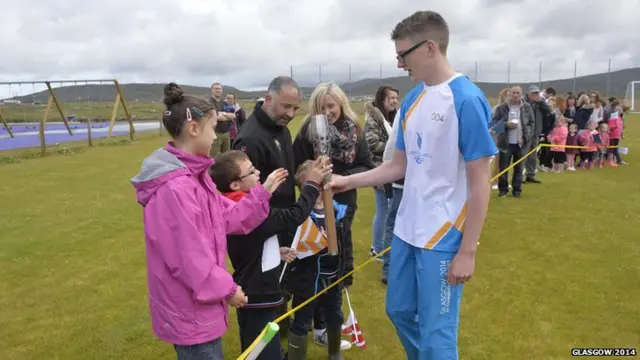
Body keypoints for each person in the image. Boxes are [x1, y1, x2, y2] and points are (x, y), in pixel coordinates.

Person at [329, 11, 497, 359]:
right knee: (399, 311)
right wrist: (347, 180)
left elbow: (481, 182)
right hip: (407, 228)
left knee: (437, 333)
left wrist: (468, 251)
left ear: (430, 47)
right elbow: (398, 166)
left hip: (444, 235)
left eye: (403, 54)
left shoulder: (466, 99)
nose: (400, 62)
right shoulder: (412, 99)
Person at [130, 83, 287, 360]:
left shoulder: (197, 179)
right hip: (189, 307)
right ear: (193, 129)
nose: (216, 135)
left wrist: (261, 193)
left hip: (200, 304)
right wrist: (227, 289)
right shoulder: (175, 189)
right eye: (212, 127)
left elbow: (227, 216)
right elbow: (188, 258)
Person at [209, 150, 332, 360]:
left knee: (254, 346)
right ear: (235, 185)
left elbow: (249, 246)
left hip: (252, 289)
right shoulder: (249, 213)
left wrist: (276, 250)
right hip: (259, 293)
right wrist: (312, 184)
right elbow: (294, 215)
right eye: (251, 172)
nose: (258, 173)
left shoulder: (233, 207)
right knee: (262, 350)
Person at [292, 82, 373, 349]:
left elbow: (365, 165)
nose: (327, 112)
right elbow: (297, 168)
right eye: (321, 107)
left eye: (331, 106)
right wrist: (313, 182)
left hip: (344, 204)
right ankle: (318, 326)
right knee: (315, 263)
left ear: (340, 105)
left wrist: (340, 179)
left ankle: (331, 319)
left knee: (336, 260)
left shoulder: (354, 130)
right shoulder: (306, 132)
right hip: (313, 205)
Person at [232, 76, 303, 344]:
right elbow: (242, 194)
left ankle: (280, 328)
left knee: (282, 281)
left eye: (295, 108)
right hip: (263, 226)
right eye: (286, 106)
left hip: (284, 220)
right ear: (269, 99)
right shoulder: (248, 138)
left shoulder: (281, 129)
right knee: (266, 286)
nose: (291, 114)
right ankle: (265, 337)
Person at [286, 160, 352, 360]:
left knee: (335, 315)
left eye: (323, 186)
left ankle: (334, 352)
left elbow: (347, 247)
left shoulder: (338, 213)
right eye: (312, 188)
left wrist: (347, 275)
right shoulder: (299, 217)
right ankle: (296, 355)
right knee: (302, 319)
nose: (319, 193)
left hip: (333, 278)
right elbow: (293, 251)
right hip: (308, 281)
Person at [364, 85, 399, 258]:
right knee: (384, 211)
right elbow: (371, 143)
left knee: (390, 210)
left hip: (393, 170)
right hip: (379, 169)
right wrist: (395, 149)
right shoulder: (373, 119)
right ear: (382, 99)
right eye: (391, 98)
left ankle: (384, 248)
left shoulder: (395, 117)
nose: (394, 101)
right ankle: (377, 248)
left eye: (396, 98)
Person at [492, 85, 534, 198]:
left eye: (518, 93)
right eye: (513, 93)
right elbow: (495, 124)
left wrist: (527, 137)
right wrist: (506, 125)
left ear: (521, 94)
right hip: (505, 143)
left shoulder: (527, 107)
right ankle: (503, 190)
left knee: (519, 168)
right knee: (503, 168)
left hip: (521, 143)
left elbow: (531, 123)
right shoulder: (501, 107)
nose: (515, 95)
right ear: (509, 94)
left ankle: (516, 191)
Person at [209, 82, 236, 157]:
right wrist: (226, 116)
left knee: (226, 156)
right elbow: (216, 117)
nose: (218, 90)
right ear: (212, 90)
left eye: (220, 89)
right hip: (215, 134)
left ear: (222, 90)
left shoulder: (224, 103)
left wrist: (223, 114)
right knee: (215, 158)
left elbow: (234, 115)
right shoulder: (209, 102)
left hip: (226, 133)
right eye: (216, 89)